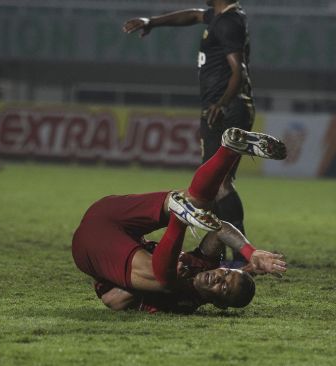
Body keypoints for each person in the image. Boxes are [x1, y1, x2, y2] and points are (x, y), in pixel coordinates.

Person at [72, 128, 287, 313]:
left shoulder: (184, 301)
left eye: (223, 288)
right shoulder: (204, 264)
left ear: (219, 304)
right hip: (112, 217)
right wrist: (251, 253)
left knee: (165, 282)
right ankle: (229, 150)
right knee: (199, 205)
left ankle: (181, 214)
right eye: (225, 274)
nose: (217, 278)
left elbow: (114, 301)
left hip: (92, 246)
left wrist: (168, 281)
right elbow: (219, 231)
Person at [123, 0, 254, 262]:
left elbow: (237, 72)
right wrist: (153, 22)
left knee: (220, 184)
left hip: (225, 110)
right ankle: (218, 253)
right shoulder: (220, 16)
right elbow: (193, 15)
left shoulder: (228, 22)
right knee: (213, 186)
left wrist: (222, 104)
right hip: (221, 108)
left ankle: (239, 255)